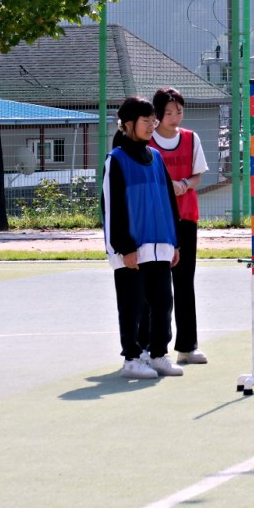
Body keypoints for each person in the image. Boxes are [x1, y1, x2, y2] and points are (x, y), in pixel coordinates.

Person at [102, 97, 183, 380]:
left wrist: (174, 242)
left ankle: (158, 354)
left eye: (153, 120)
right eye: (146, 121)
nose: (151, 126)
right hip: (132, 249)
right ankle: (132, 358)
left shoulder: (157, 157)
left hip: (160, 245)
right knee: (133, 305)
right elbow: (112, 208)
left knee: (163, 303)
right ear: (128, 125)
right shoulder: (117, 160)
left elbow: (169, 201)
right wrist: (124, 248)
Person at [145, 86, 210, 365]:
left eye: (179, 111)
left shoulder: (191, 138)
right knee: (155, 285)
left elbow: (197, 177)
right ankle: (152, 346)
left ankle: (187, 346)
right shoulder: (148, 142)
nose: (175, 117)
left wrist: (184, 185)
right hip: (156, 220)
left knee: (185, 281)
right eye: (168, 112)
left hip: (186, 217)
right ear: (157, 115)